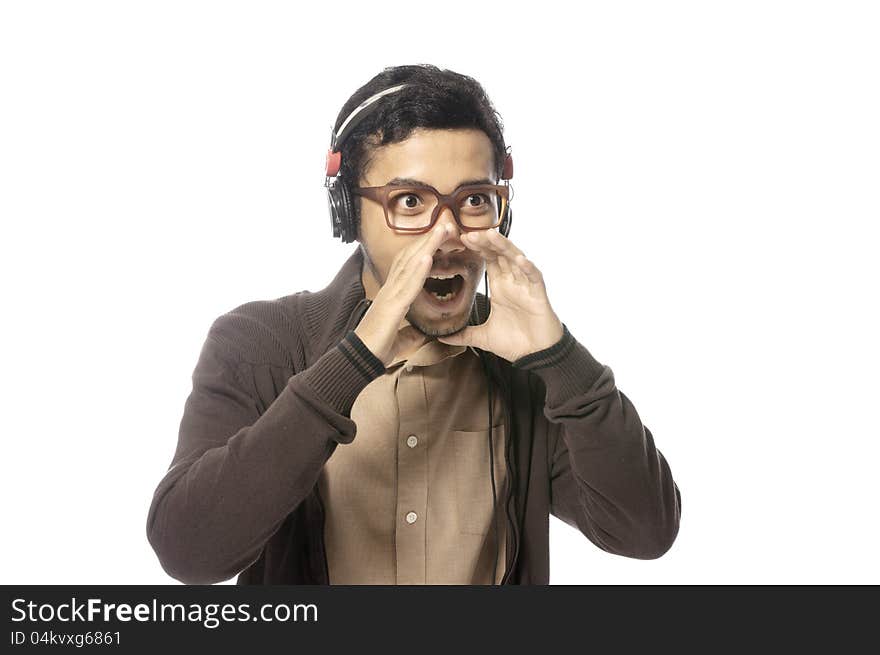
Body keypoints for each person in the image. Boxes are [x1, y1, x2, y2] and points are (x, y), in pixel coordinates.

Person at [146, 64, 682, 585]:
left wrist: (561, 360)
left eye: (473, 200)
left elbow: (643, 532)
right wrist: (352, 364)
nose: (445, 235)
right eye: (409, 201)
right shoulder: (260, 343)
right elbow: (190, 553)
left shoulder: (524, 371)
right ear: (347, 214)